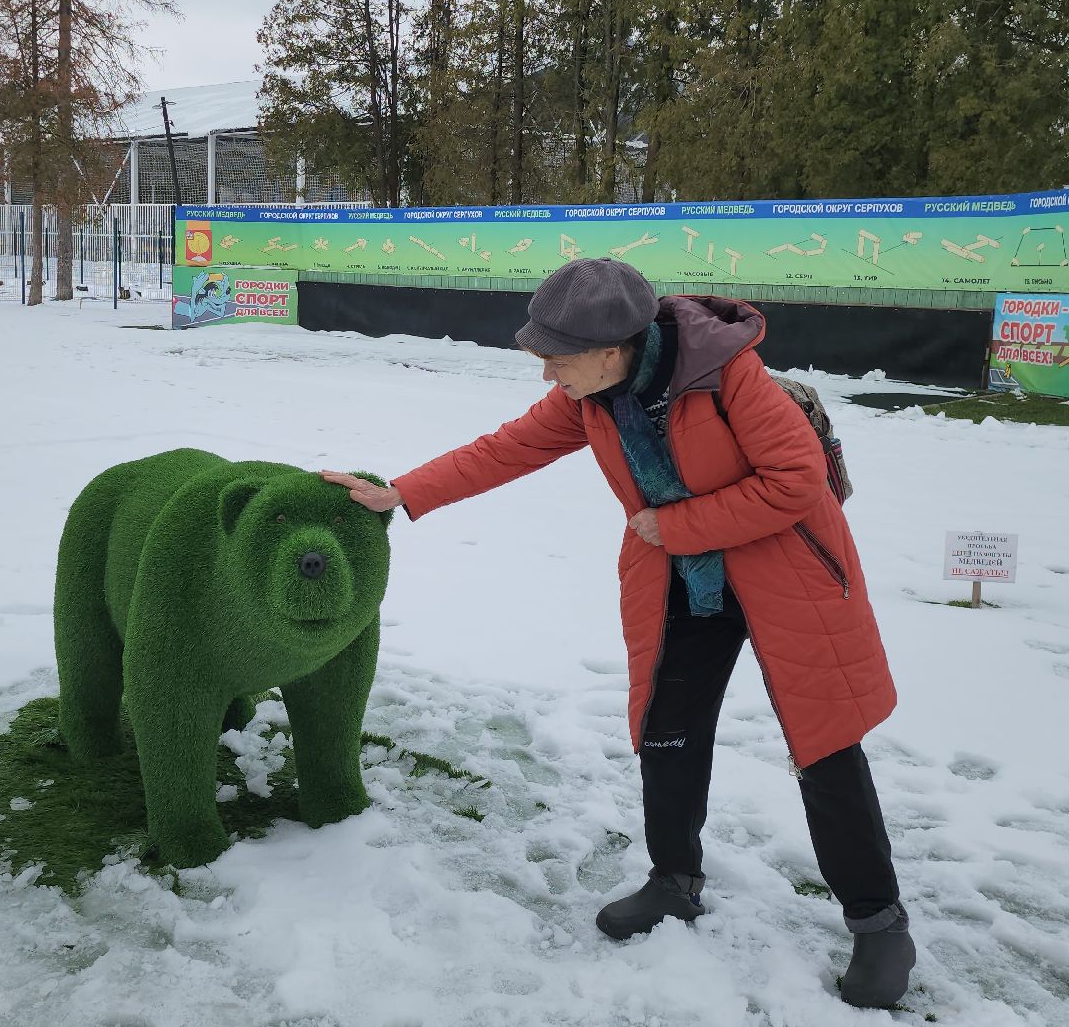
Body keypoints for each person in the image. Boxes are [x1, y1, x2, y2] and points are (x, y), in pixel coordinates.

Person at [320, 257, 915, 1009]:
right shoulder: (594, 394)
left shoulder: (732, 377)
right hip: (686, 584)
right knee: (667, 726)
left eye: (558, 360)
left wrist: (676, 524)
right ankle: (674, 880)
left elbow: (794, 482)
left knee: (824, 744)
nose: (548, 377)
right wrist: (403, 491)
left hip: (787, 577)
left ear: (613, 348)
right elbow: (507, 447)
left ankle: (878, 922)